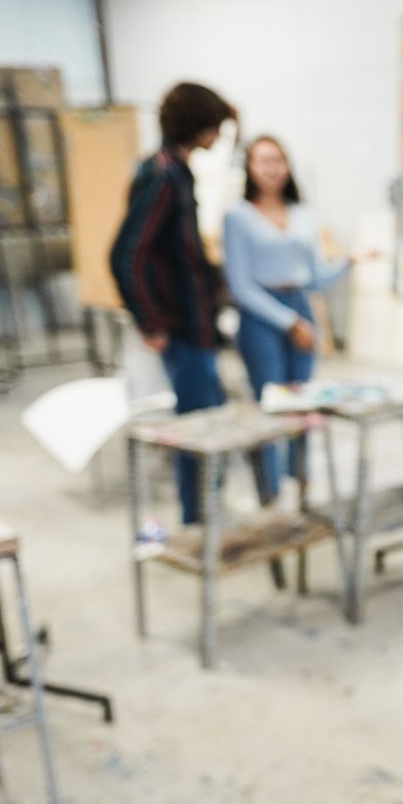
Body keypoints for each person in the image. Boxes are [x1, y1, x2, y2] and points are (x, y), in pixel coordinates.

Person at [110, 81, 238, 525]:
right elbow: (127, 253)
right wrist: (152, 321)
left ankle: (206, 513)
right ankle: (197, 520)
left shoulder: (174, 171)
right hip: (183, 330)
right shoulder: (163, 175)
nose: (220, 135)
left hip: (197, 326)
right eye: (217, 125)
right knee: (196, 432)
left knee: (209, 423)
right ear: (199, 124)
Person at [222, 135, 350, 503]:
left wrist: (349, 260)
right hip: (261, 317)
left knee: (303, 405)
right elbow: (241, 287)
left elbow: (316, 278)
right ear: (249, 167)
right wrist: (287, 322)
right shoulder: (238, 216)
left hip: (301, 308)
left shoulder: (303, 214)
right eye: (263, 161)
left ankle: (303, 485)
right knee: (271, 407)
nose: (272, 168)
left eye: (277, 160)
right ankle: (270, 495)